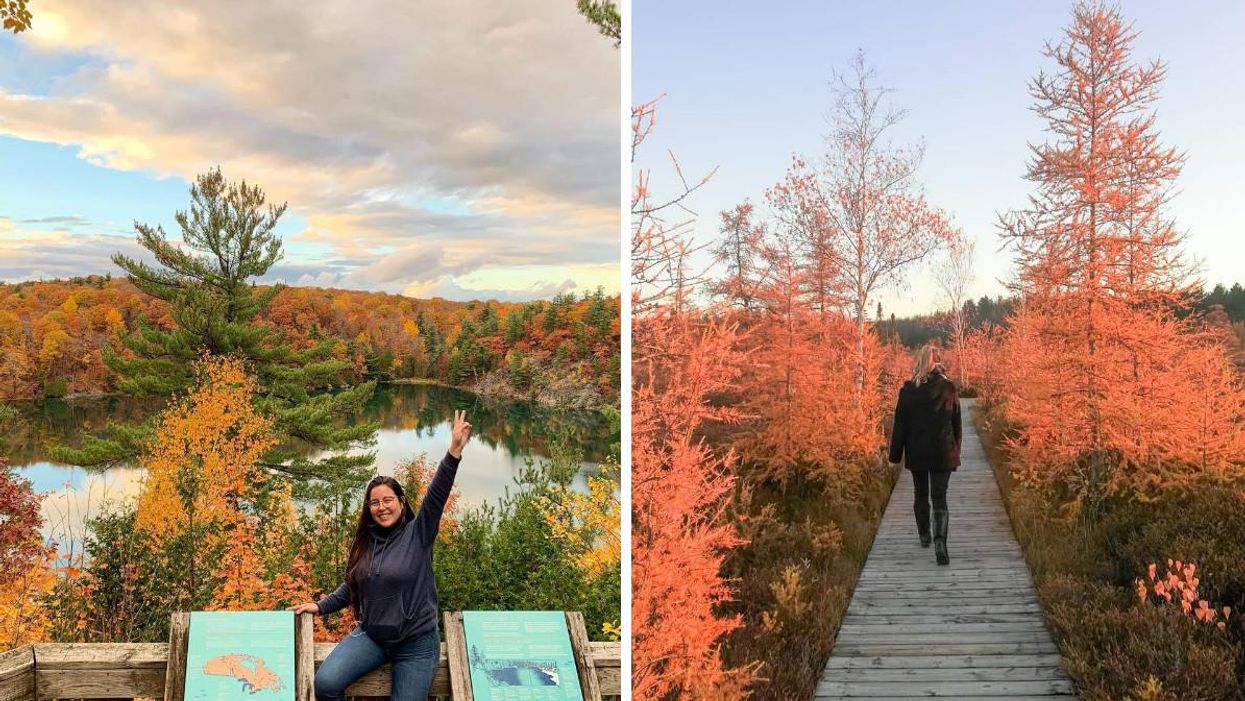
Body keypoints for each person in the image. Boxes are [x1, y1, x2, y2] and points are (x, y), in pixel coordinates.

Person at [291, 410, 472, 701]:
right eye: (374, 502)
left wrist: (453, 453)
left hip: (416, 643)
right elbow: (353, 587)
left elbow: (436, 496)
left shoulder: (419, 532)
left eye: (388, 500)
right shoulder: (365, 542)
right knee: (325, 684)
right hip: (372, 637)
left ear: (401, 502)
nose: (381, 507)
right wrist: (319, 606)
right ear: (369, 509)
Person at [888, 346, 962, 565]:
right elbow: (956, 423)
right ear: (937, 363)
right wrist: (955, 453)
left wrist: (894, 457)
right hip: (943, 451)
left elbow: (899, 426)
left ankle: (924, 535)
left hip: (917, 451)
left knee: (920, 494)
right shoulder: (949, 388)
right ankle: (940, 543)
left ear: (918, 363)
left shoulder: (908, 390)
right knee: (940, 499)